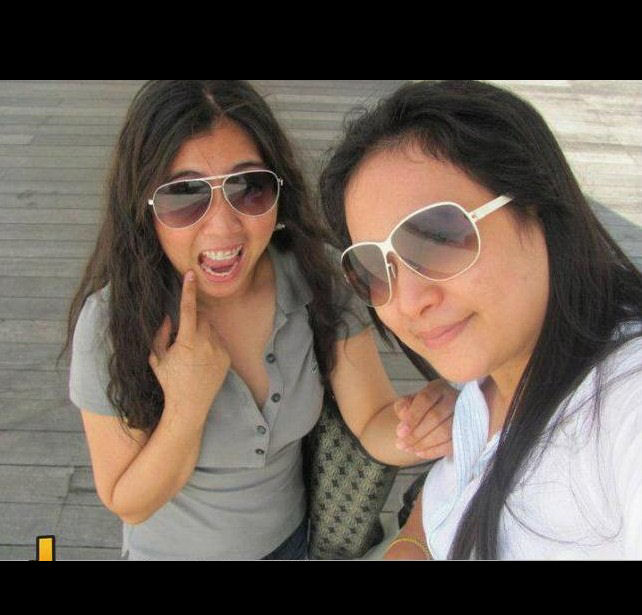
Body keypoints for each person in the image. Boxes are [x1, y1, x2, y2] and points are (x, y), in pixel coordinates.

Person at [63, 80, 455, 561]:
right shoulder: (112, 322)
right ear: (143, 209)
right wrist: (187, 403)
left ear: (278, 190)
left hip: (294, 547)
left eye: (249, 188)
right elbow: (129, 502)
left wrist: (423, 427)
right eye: (184, 195)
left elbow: (373, 419)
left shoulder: (317, 278)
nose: (223, 227)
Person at [319, 79, 642, 560]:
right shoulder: (485, 381)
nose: (407, 301)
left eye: (439, 236)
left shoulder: (622, 404)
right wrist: (410, 544)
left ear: (536, 205)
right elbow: (446, 504)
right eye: (373, 268)